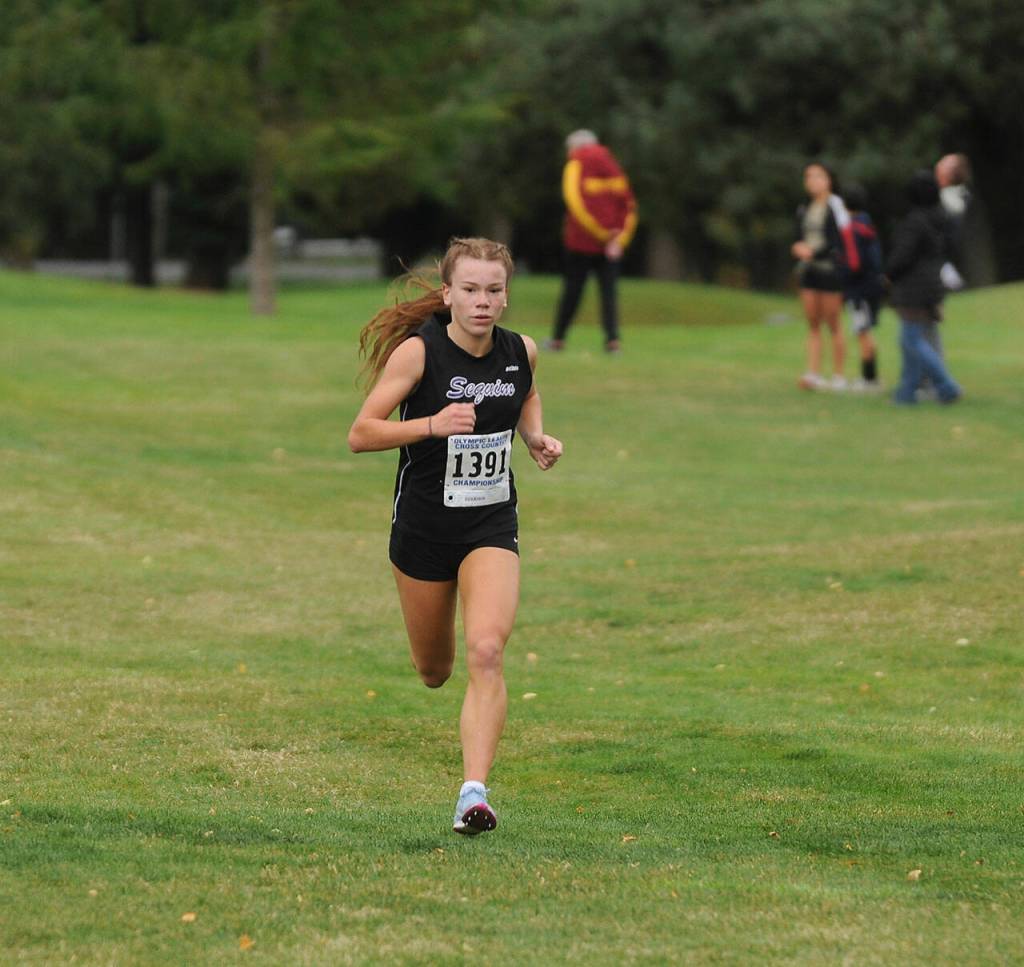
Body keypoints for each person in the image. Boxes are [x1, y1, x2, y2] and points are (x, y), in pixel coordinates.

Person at [348, 237, 563, 835]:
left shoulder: (521, 351)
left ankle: (473, 793)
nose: (483, 302)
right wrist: (431, 425)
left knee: (487, 650)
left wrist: (536, 438)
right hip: (422, 530)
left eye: (494, 291)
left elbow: (526, 394)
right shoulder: (419, 355)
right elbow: (361, 433)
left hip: (490, 523)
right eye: (470, 290)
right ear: (448, 294)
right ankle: (439, 683)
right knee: (435, 669)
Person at [546, 129, 637, 354]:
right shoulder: (613, 166)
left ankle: (558, 339)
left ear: (574, 147)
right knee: (609, 292)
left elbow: (575, 203)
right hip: (612, 246)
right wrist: (619, 239)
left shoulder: (575, 165)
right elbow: (629, 205)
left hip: (581, 242)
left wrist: (601, 234)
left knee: (573, 290)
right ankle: (613, 341)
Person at [887, 171, 962, 405]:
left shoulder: (915, 221)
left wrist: (888, 273)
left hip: (913, 288)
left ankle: (946, 385)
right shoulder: (942, 218)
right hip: (933, 283)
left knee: (911, 340)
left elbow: (903, 256)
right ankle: (907, 392)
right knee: (916, 338)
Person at [791, 162, 860, 391]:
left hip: (830, 271)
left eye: (818, 176)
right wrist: (798, 247)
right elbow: (798, 234)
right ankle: (813, 373)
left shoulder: (836, 206)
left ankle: (838, 375)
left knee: (833, 323)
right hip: (808, 270)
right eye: (809, 176)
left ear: (829, 179)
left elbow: (839, 240)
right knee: (813, 323)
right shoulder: (804, 207)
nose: (812, 181)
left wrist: (814, 252)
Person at [841, 184, 884, 390]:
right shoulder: (868, 224)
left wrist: (843, 281)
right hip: (873, 286)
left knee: (862, 332)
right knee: (866, 331)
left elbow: (854, 263)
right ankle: (871, 377)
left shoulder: (850, 228)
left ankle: (869, 379)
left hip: (858, 289)